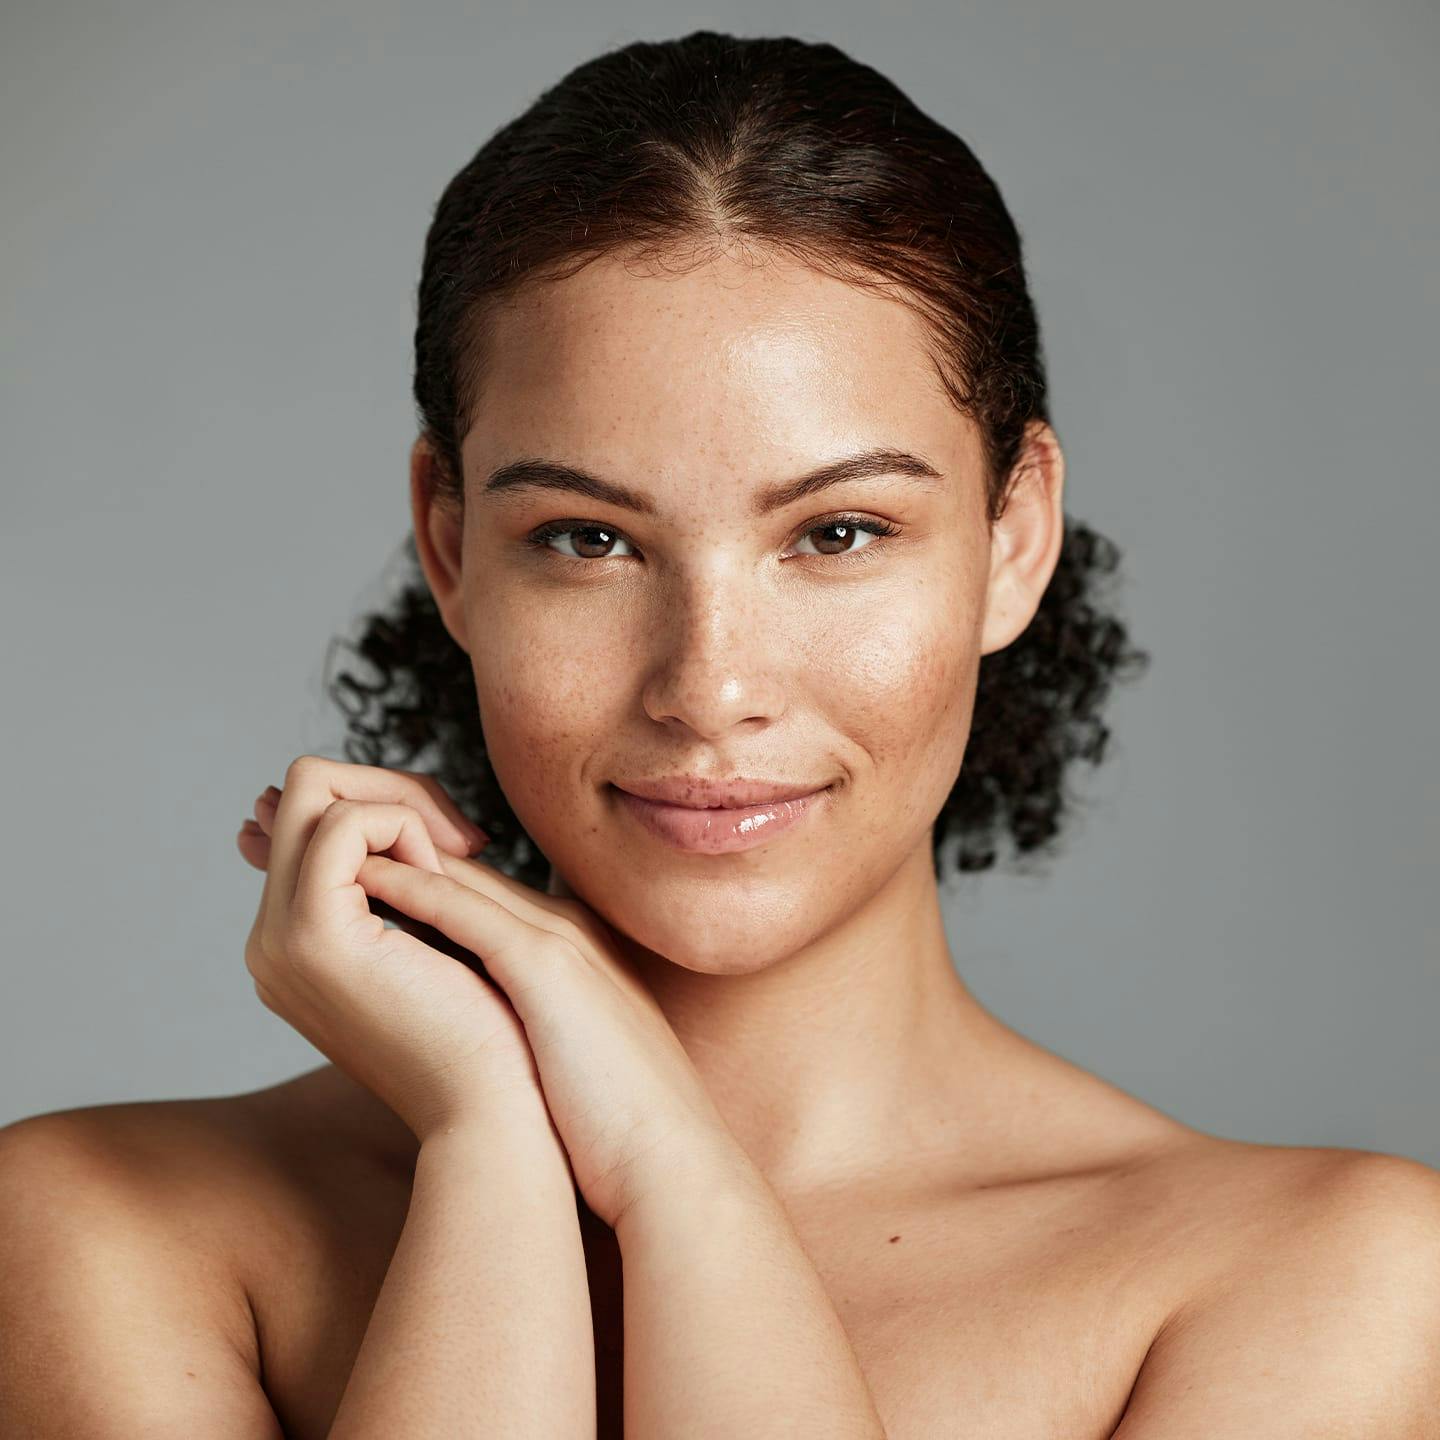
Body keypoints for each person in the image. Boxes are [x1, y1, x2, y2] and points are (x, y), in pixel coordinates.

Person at [2, 28, 1437, 1440]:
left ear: (1014, 537)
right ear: (448, 545)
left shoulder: (1325, 1285)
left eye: (839, 531)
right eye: (587, 538)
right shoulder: (107, 1233)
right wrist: (493, 1148)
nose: (708, 684)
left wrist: (668, 1166)